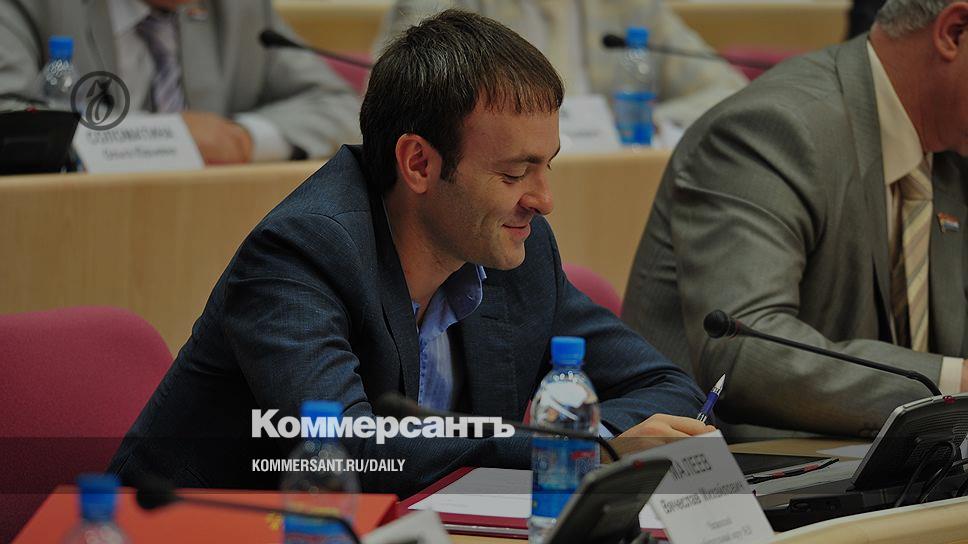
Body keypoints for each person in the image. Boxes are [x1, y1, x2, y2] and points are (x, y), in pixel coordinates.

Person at [109, 10, 707, 496]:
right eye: (513, 173)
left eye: (547, 165)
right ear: (418, 163)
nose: (543, 200)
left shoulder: (511, 247)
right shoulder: (299, 255)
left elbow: (666, 386)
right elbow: (347, 451)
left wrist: (608, 441)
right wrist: (584, 448)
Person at [622, 0, 968, 439]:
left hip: (883, 462)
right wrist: (956, 382)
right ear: (953, 32)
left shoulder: (949, 141)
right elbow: (745, 352)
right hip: (732, 465)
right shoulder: (772, 129)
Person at [0, 0, 361, 163]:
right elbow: (9, 119)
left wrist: (244, 139)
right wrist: (170, 138)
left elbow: (342, 107)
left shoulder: (240, 8)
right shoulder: (30, 6)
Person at [375, 0, 747, 130]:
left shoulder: (628, 6)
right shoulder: (443, 3)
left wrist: (647, 122)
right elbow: (399, 103)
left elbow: (727, 90)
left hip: (606, 176)